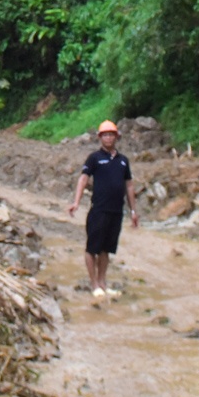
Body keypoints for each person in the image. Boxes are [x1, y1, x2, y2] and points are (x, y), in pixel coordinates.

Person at [68, 120, 140, 298]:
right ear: (100, 138)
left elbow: (129, 186)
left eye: (111, 134)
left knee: (106, 249)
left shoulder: (123, 161)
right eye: (105, 135)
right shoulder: (94, 158)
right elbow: (83, 180)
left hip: (116, 211)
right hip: (98, 209)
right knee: (92, 248)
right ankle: (94, 285)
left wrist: (133, 211)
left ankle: (102, 282)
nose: (108, 137)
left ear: (116, 137)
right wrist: (76, 202)